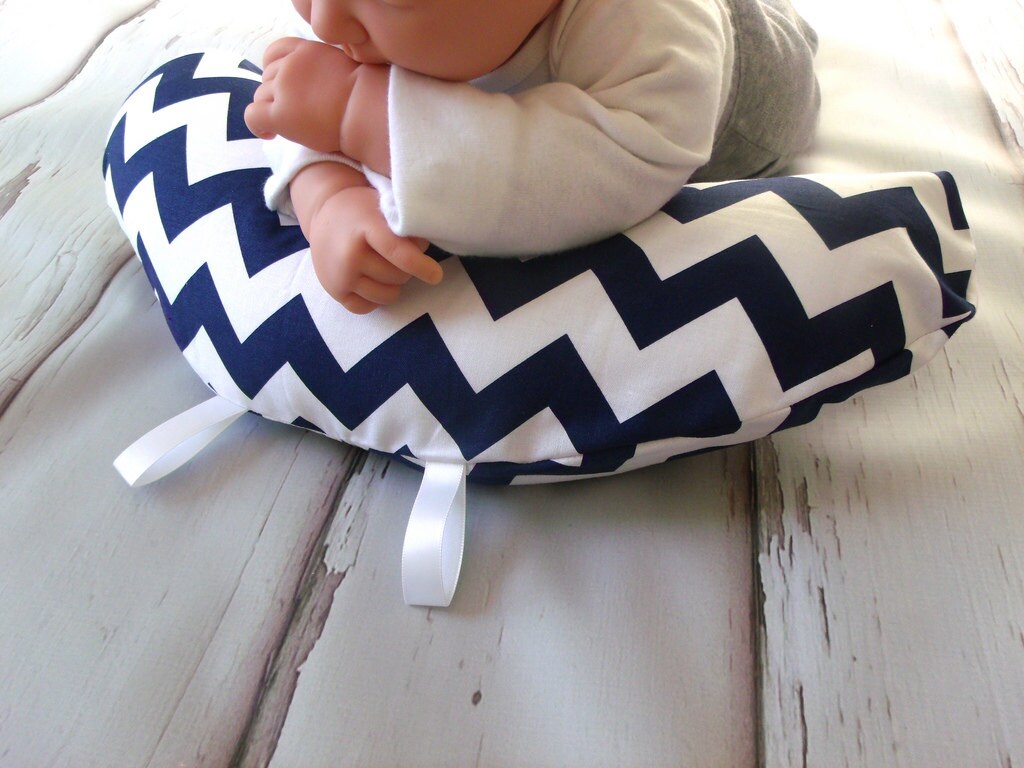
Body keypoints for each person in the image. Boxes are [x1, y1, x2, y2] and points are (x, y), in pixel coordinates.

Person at [244, 0, 820, 314]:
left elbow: (601, 172)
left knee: (789, 60)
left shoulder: (646, 22)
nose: (322, 19)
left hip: (745, 88)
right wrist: (328, 197)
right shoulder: (352, 17)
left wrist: (358, 113)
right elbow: (295, 102)